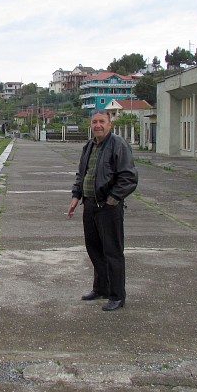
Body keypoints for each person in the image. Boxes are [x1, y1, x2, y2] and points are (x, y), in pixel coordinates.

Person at [67, 109, 138, 311]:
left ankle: (117, 295)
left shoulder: (118, 145)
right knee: (94, 249)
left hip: (108, 208)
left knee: (113, 252)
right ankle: (101, 288)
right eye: (94, 122)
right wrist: (75, 196)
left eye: (102, 121)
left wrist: (113, 199)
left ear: (109, 124)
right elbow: (82, 174)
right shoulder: (89, 146)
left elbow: (129, 177)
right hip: (90, 205)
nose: (98, 125)